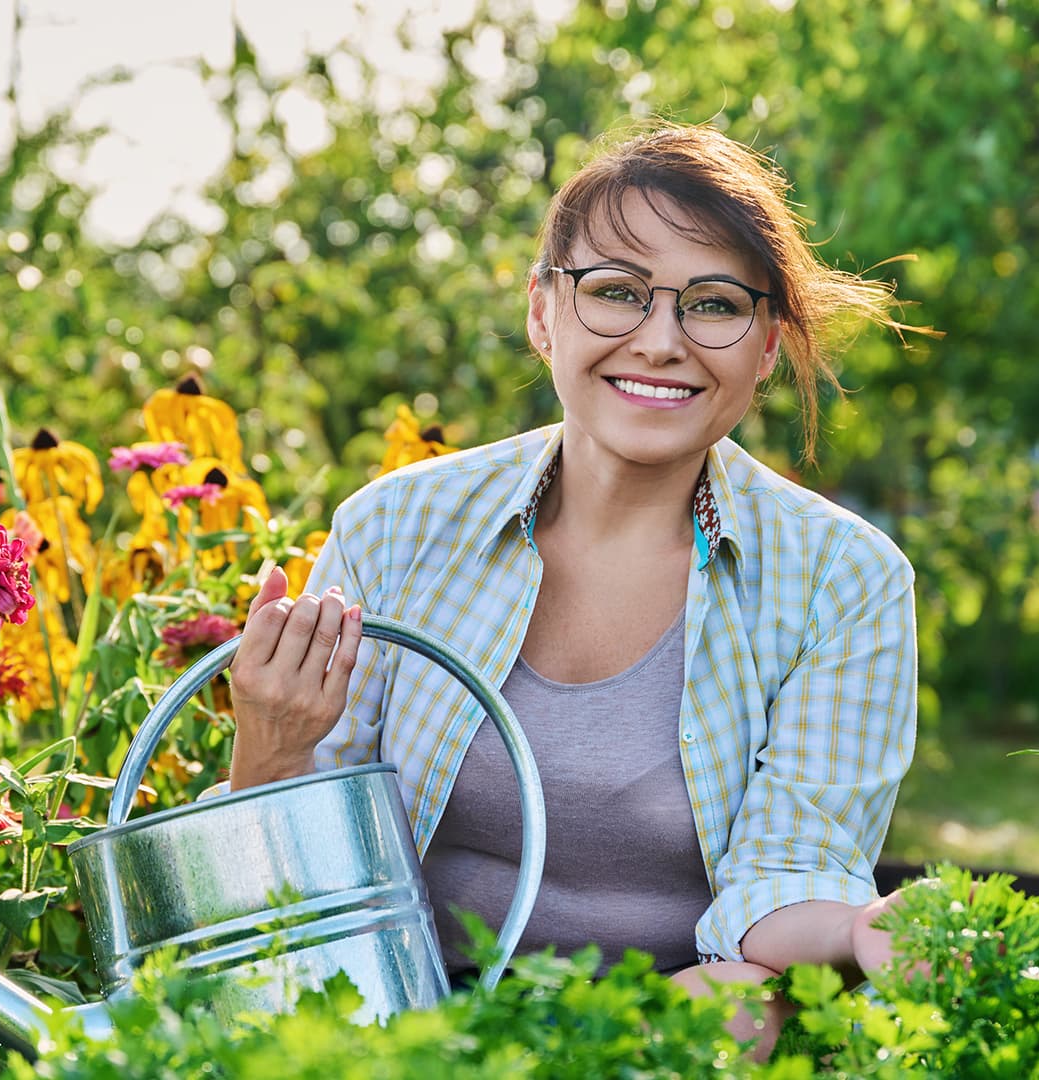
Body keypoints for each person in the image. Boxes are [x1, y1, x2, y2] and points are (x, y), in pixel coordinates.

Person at [225, 122, 922, 1057]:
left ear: (765, 348)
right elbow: (288, 896)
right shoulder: (396, 528)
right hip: (410, 1005)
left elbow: (787, 872)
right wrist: (269, 744)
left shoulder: (844, 581)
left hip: (675, 1014)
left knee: (742, 1004)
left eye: (714, 304)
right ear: (544, 313)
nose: (661, 341)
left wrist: (857, 930)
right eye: (616, 293)